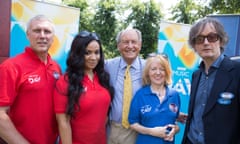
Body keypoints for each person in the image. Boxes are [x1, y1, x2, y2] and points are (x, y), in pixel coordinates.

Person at [0, 15, 61, 143]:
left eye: (47, 31)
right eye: (37, 31)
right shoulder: (11, 67)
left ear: (53, 38)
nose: (43, 36)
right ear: (28, 35)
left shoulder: (56, 68)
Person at [182, 17, 240, 144]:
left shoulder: (236, 71)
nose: (206, 42)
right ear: (195, 46)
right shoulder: (196, 75)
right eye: (200, 39)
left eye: (212, 37)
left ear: (221, 41)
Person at [53, 30, 114, 144]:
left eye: (97, 52)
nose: (93, 57)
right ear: (78, 53)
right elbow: (63, 122)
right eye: (87, 52)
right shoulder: (65, 82)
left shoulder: (103, 78)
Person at [128, 54, 180, 144]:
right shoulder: (140, 95)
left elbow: (175, 122)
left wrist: (175, 130)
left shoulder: (174, 95)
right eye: (154, 69)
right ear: (148, 72)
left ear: (167, 72)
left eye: (162, 69)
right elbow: (133, 123)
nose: (158, 73)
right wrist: (152, 131)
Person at [105, 28, 145, 144]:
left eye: (134, 42)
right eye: (125, 42)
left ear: (140, 45)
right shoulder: (107, 66)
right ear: (118, 46)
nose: (130, 46)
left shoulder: (149, 68)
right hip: (112, 129)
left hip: (138, 130)